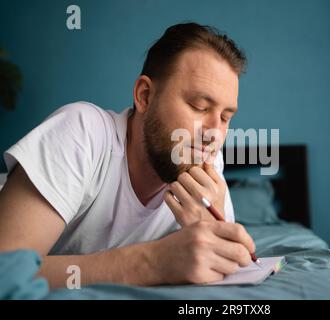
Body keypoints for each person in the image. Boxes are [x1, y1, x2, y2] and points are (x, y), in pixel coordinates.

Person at [0, 23, 256, 288]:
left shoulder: (208, 164)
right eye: (199, 106)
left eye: (226, 118)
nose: (214, 134)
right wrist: (152, 262)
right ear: (145, 96)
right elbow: (5, 269)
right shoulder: (82, 132)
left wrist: (211, 233)